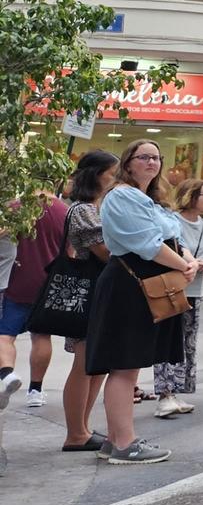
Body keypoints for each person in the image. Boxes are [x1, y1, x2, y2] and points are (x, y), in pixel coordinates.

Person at [89, 139, 196, 464]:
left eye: (155, 157)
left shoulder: (146, 198)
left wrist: (188, 259)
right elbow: (147, 244)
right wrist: (184, 265)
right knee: (124, 367)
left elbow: (172, 237)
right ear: (129, 162)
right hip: (130, 285)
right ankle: (124, 444)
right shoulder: (122, 196)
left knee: (129, 367)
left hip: (144, 284)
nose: (151, 162)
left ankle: (116, 439)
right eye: (143, 157)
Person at [59, 151, 117, 452]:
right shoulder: (83, 210)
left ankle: (82, 427)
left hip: (98, 293)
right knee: (83, 364)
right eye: (112, 172)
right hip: (88, 292)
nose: (115, 178)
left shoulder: (95, 208)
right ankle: (75, 433)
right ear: (97, 174)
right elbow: (105, 252)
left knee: (96, 365)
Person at [153, 179, 203, 419]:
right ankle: (165, 393)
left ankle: (177, 390)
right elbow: (167, 249)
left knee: (187, 344)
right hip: (172, 290)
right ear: (191, 196)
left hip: (196, 290)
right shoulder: (172, 221)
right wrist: (189, 262)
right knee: (168, 342)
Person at [1, 195, 65, 410]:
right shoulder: (62, 210)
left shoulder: (14, 208)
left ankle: (6, 374)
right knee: (41, 335)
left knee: (5, 335)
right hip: (47, 282)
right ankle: (36, 390)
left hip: (15, 281)